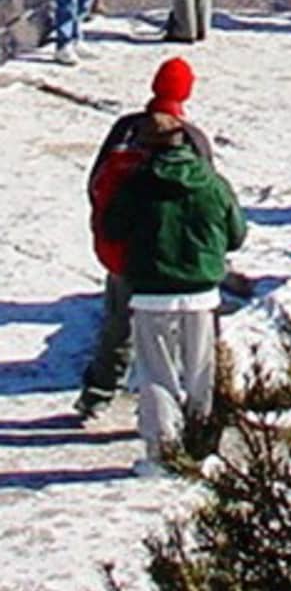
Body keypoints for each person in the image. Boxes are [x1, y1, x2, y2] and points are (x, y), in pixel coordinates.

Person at [100, 110, 246, 472]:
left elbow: (112, 228)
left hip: (151, 292)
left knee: (156, 374)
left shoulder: (135, 184)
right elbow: (236, 235)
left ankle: (162, 455)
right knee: (200, 373)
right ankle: (200, 450)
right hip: (201, 294)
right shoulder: (213, 183)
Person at [75, 56, 216, 420]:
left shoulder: (125, 129)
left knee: (118, 322)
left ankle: (98, 392)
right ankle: (183, 412)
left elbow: (95, 182)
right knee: (176, 340)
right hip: (173, 257)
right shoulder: (193, 138)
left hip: (123, 250)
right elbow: (209, 201)